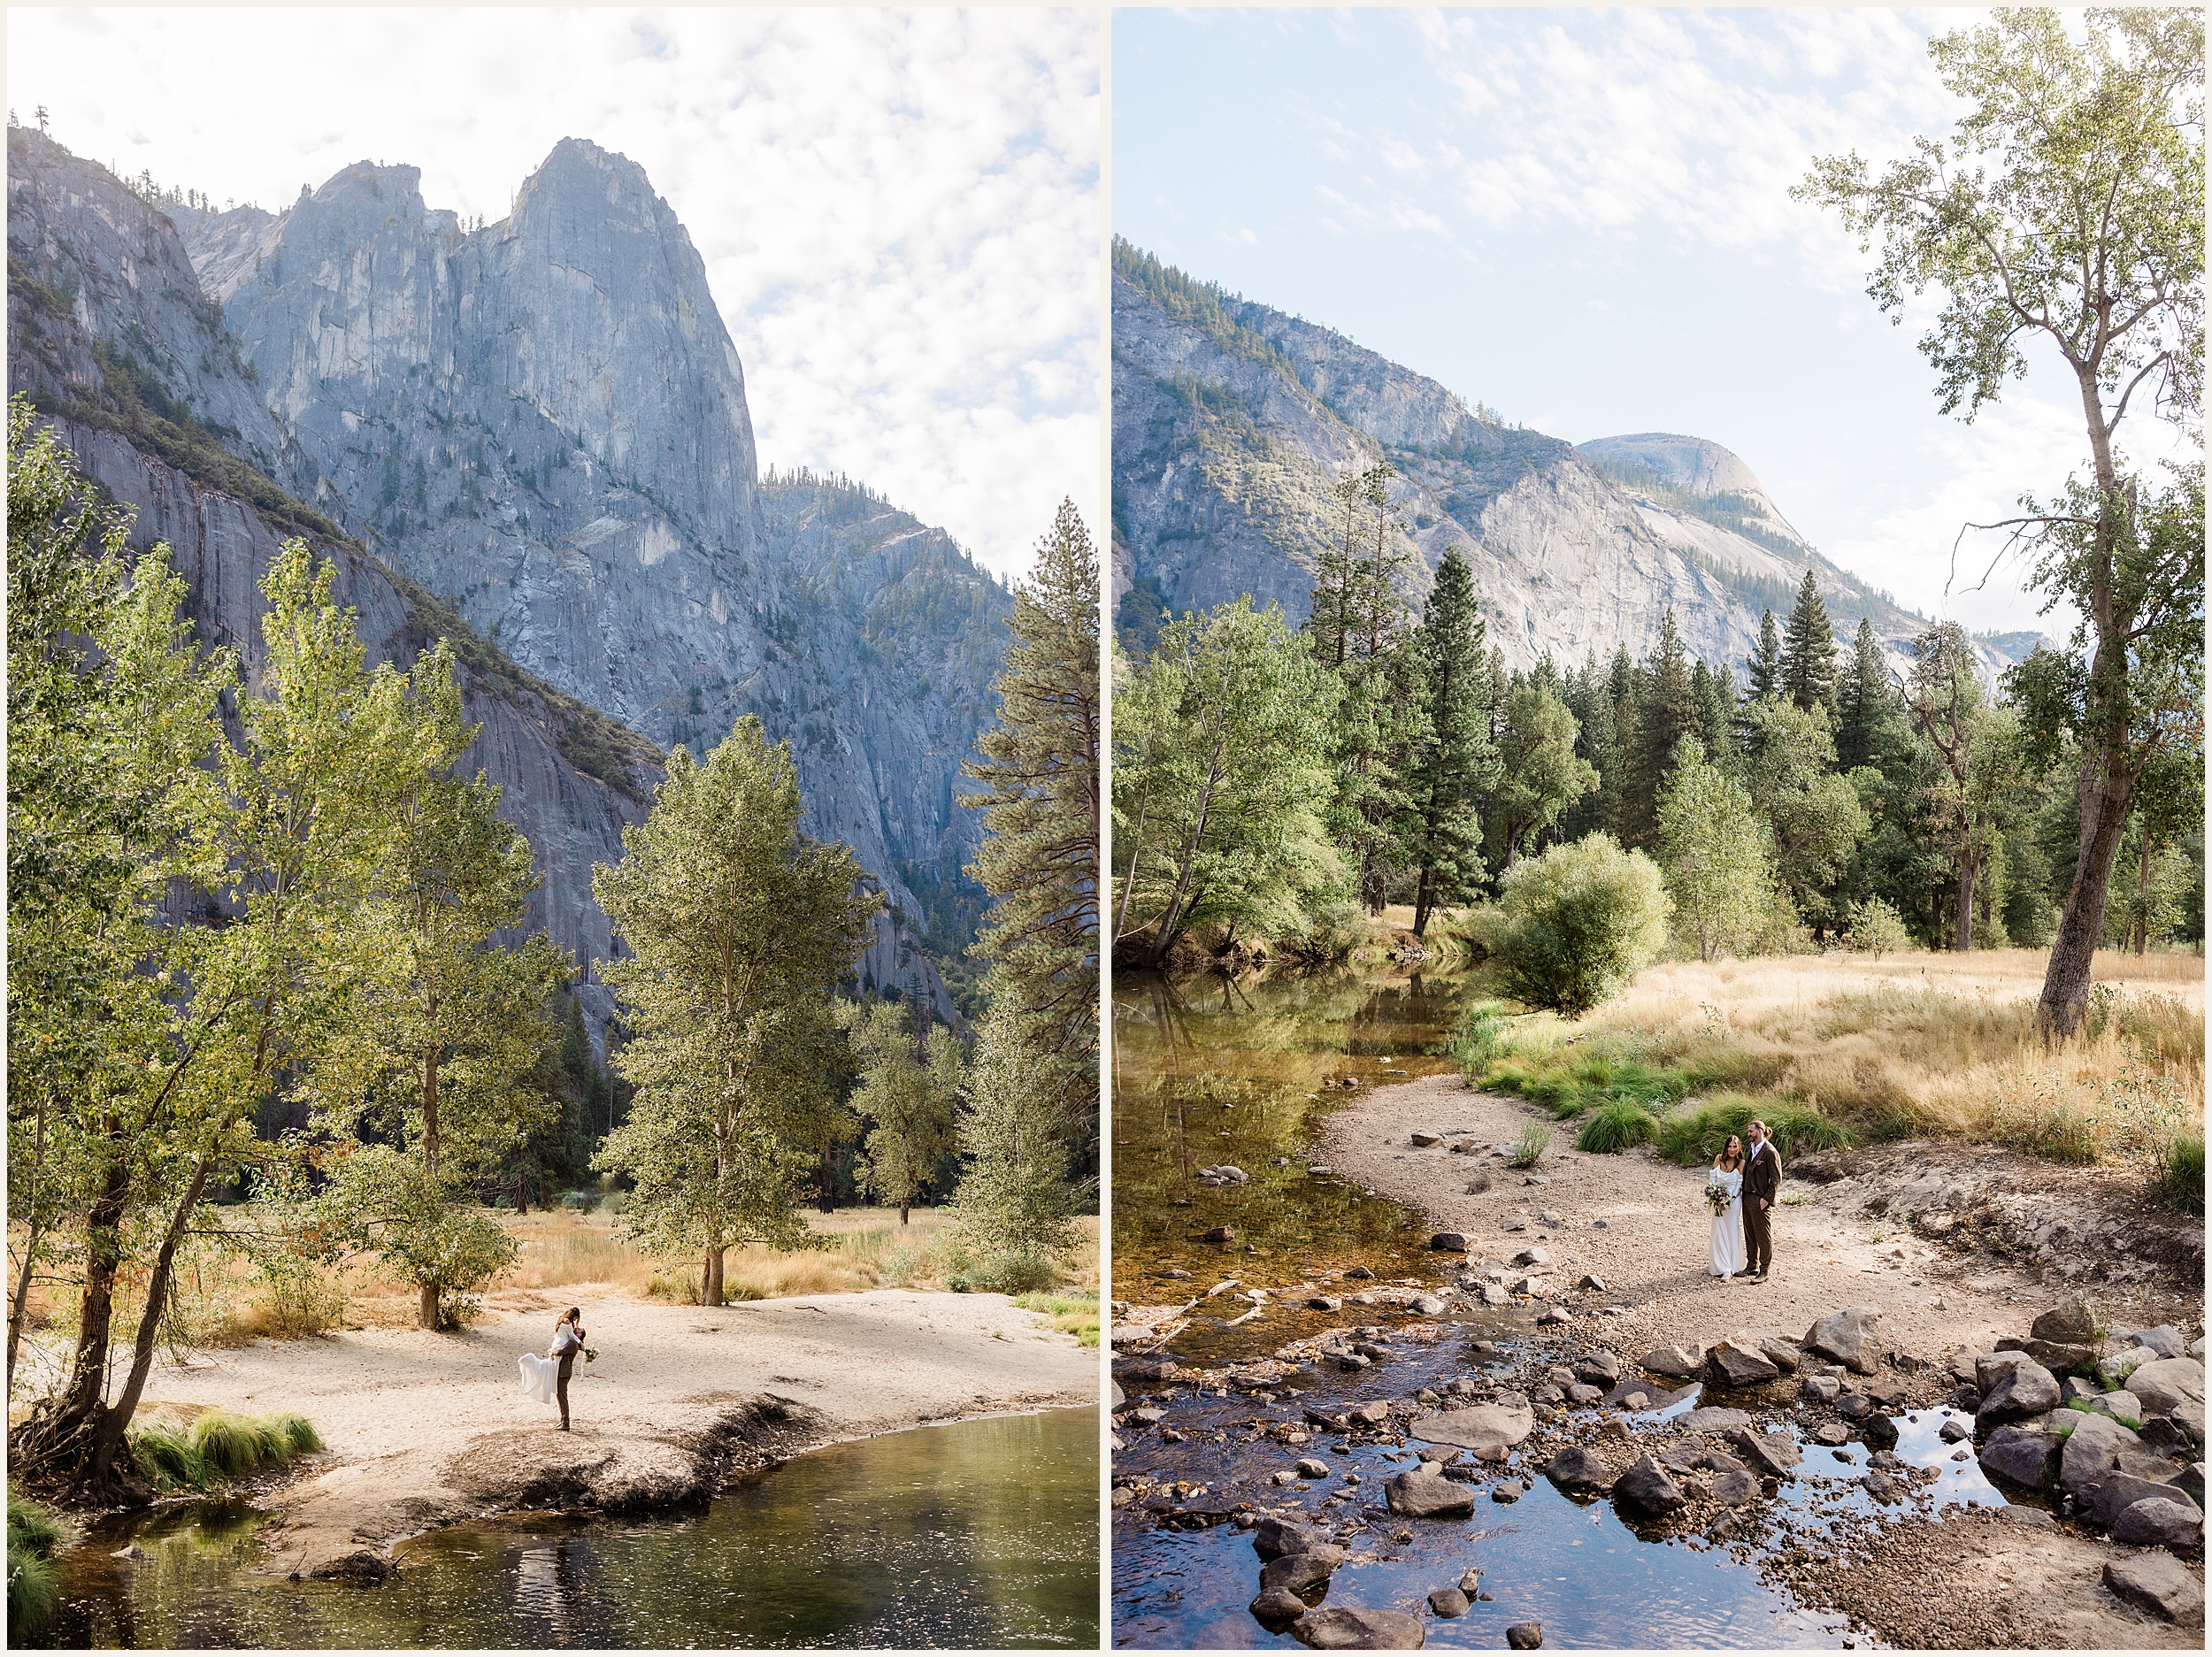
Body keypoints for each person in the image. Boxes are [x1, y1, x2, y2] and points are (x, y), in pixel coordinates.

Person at [1737, 1120, 1780, 1281]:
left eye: (1751, 1131)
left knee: (1763, 1235)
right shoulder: (1751, 1148)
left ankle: (1764, 1270)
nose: (1748, 1134)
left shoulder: (1770, 1152)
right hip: (1747, 1197)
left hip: (1760, 1199)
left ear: (1760, 1131)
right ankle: (1751, 1266)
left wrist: (1766, 1200)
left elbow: (1776, 1179)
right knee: (1750, 1233)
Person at [1708, 1136, 1746, 1278]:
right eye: (1730, 1146)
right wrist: (1716, 1199)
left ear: (1739, 1148)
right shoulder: (1719, 1159)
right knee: (1718, 1231)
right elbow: (1713, 1180)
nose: (1732, 1149)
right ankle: (1722, 1266)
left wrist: (1728, 1200)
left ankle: (1732, 1265)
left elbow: (1739, 1185)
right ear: (1726, 1147)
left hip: (1733, 1202)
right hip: (1717, 1201)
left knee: (1731, 1230)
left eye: (1735, 1147)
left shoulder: (1741, 1163)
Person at [550, 1308, 587, 1431]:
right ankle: (563, 1421)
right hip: (561, 1371)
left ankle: (565, 1422)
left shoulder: (572, 1344)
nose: (576, 1329)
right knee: (560, 1396)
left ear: (580, 1336)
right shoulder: (570, 1341)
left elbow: (560, 1351)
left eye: (579, 1331)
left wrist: (552, 1351)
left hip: (563, 1373)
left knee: (562, 1397)